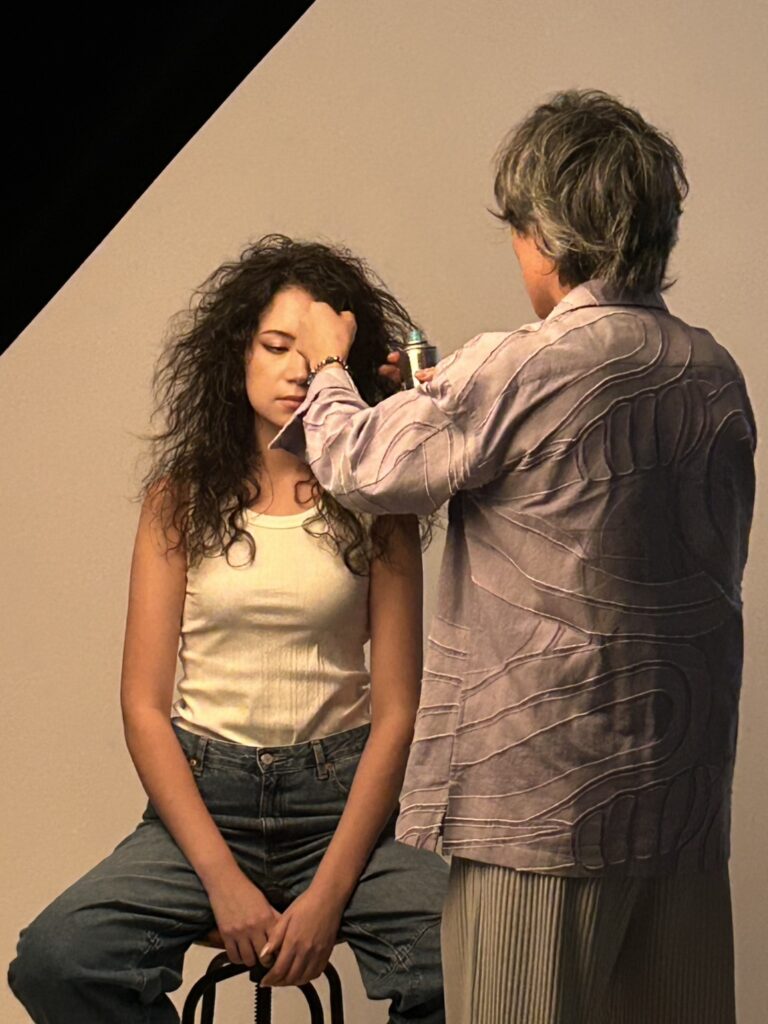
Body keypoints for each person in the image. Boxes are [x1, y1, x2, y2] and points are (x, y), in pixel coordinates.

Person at [267, 91, 757, 1024]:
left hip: (541, 805)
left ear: (548, 235)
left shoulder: (525, 363)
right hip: (679, 798)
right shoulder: (713, 373)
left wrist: (330, 367)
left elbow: (364, 465)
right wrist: (439, 394)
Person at [8, 235, 448, 1024]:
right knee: (57, 960)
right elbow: (144, 707)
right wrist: (222, 880)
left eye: (316, 354)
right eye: (276, 346)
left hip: (342, 808)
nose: (296, 372)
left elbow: (397, 713)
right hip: (205, 807)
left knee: (475, 955)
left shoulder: (379, 501)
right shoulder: (177, 500)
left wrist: (328, 896)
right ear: (236, 353)